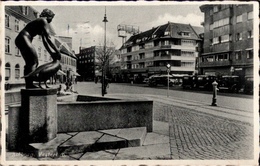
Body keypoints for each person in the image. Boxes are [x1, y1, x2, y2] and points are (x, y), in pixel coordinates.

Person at [15, 9, 60, 89]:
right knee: (33, 61)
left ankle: (29, 84)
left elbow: (45, 41)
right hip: (24, 38)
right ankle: (30, 84)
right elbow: (48, 38)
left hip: (21, 38)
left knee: (30, 62)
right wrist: (57, 51)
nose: (51, 21)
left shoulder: (40, 21)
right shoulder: (43, 20)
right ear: (48, 16)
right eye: (51, 18)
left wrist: (51, 52)